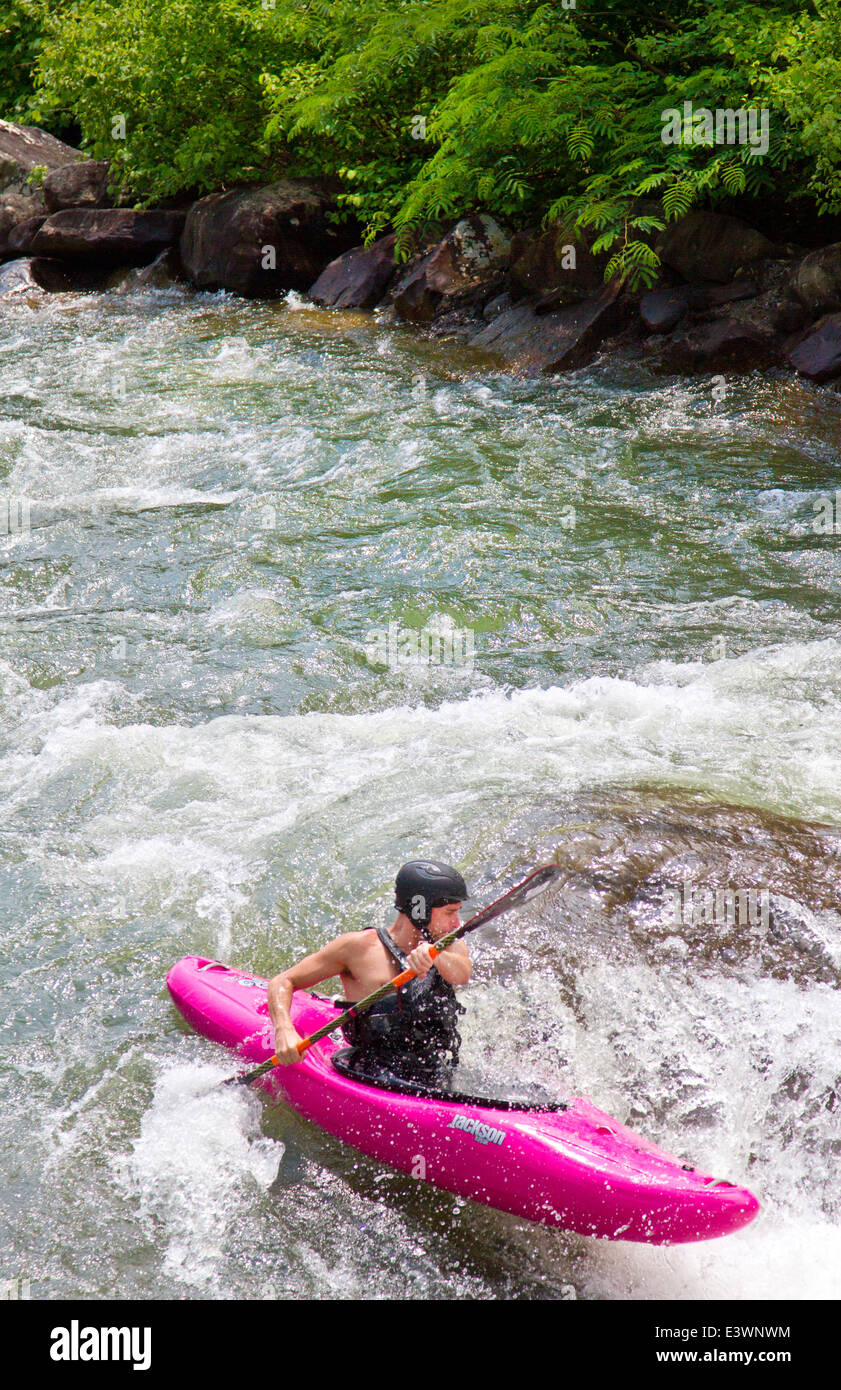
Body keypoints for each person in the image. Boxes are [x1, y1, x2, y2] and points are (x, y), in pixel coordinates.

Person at [267, 860, 472, 1088]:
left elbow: (461, 975)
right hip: (374, 1076)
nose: (456, 923)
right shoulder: (358, 948)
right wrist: (284, 1031)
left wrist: (435, 955)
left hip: (436, 1073)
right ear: (419, 908)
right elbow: (283, 980)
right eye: (449, 912)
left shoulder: (449, 944)